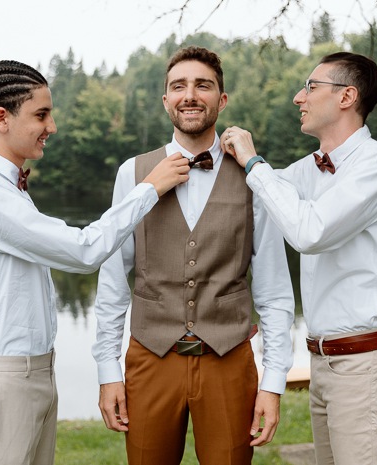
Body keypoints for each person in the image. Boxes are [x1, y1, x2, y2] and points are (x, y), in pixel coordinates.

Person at [0, 60, 190, 465]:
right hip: (1, 380)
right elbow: (83, 251)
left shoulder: (11, 186)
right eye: (41, 114)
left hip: (33, 372)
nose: (52, 126)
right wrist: (148, 188)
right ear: (1, 119)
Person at [92, 46, 295, 465]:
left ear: (221, 100)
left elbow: (274, 290)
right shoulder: (132, 173)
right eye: (178, 86)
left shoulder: (256, 176)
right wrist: (107, 372)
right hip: (150, 359)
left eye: (203, 85)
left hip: (229, 361)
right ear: (165, 99)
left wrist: (273, 382)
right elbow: (113, 282)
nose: (190, 95)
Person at [221, 52, 377, 465]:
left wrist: (254, 160)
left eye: (310, 87)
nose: (297, 98)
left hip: (366, 368)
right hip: (323, 365)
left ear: (347, 96)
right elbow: (253, 201)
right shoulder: (308, 170)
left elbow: (310, 231)